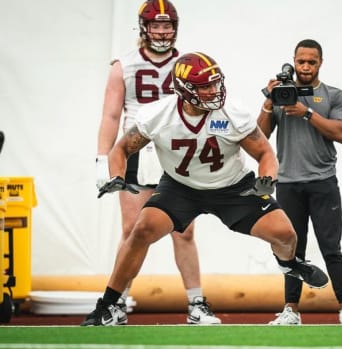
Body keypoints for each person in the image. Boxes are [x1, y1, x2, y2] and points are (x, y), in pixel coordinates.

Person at [82, 51, 329, 326]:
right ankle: (108, 304)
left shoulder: (231, 113)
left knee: (285, 235)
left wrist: (267, 179)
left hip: (233, 187)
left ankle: (288, 263)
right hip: (181, 187)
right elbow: (122, 149)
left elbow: (265, 154)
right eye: (206, 86)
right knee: (141, 230)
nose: (214, 90)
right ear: (185, 89)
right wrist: (115, 174)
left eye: (216, 83)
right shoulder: (158, 114)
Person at [94, 0, 218, 325]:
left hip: (175, 150)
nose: (162, 32)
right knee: (131, 229)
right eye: (157, 25)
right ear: (144, 28)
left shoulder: (188, 63)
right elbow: (110, 116)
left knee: (185, 230)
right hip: (136, 150)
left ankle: (196, 303)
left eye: (167, 26)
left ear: (175, 28)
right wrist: (102, 160)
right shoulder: (125, 65)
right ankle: (116, 302)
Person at [257, 39, 342, 325]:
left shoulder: (333, 95)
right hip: (288, 183)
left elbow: (341, 133)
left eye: (311, 62)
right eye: (300, 61)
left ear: (320, 63)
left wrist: (308, 113)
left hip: (323, 181)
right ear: (294, 60)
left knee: (331, 247)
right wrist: (268, 102)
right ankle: (291, 310)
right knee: (291, 249)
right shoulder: (280, 95)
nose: (304, 67)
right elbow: (258, 138)